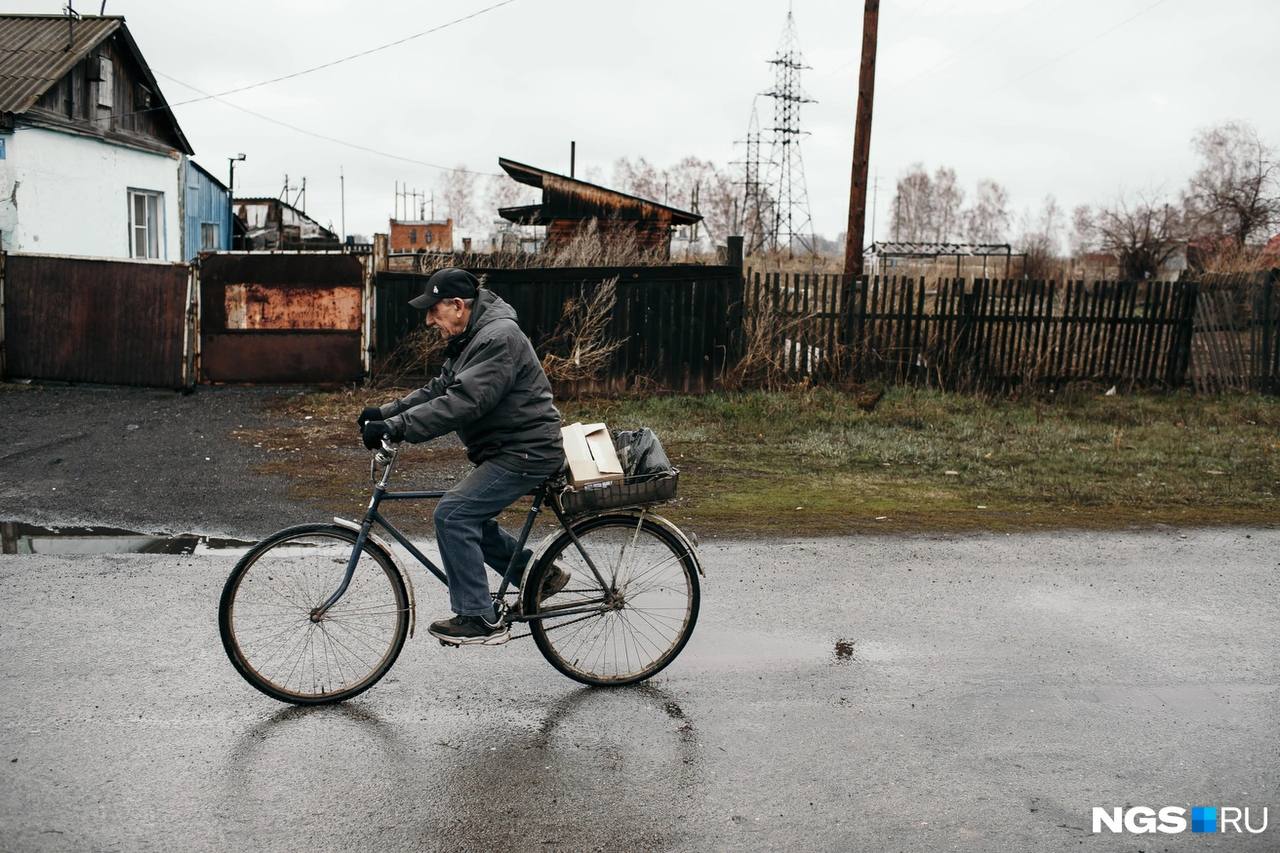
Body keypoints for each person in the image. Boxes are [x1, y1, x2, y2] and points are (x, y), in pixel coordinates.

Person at [357, 268, 569, 646]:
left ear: (457, 306)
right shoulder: (475, 336)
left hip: (527, 450)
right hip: (510, 447)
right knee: (468, 515)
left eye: (433, 310)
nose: (428, 319)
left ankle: (478, 617)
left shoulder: (498, 338)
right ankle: (541, 576)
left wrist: (399, 427)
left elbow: (463, 402)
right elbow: (441, 388)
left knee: (453, 514)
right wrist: (386, 412)